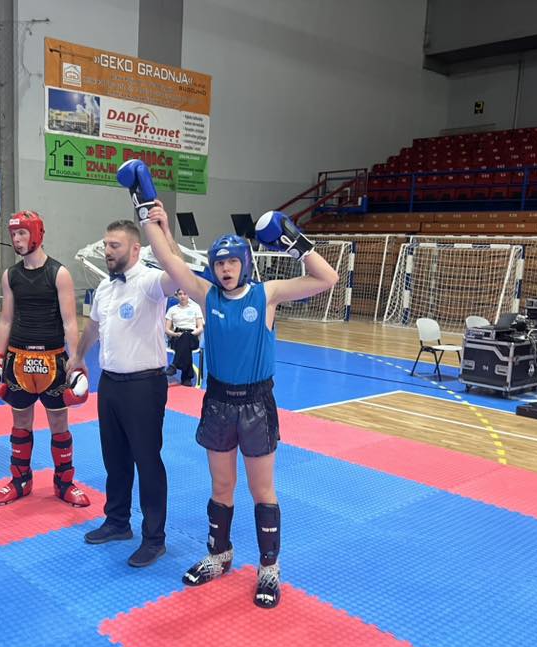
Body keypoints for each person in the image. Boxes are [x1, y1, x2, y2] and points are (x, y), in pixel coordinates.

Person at [123, 159, 338, 608]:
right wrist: (146, 210)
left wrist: (295, 241)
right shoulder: (207, 296)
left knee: (262, 491)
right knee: (221, 488)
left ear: (245, 263)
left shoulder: (268, 294)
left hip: (258, 404)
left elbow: (327, 278)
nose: (224, 269)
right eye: (219, 263)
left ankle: (269, 568)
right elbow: (168, 258)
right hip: (219, 402)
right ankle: (219, 555)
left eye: (231, 262)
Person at [68, 211, 184, 568]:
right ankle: (118, 521)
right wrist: (78, 357)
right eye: (106, 245)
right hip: (111, 384)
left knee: (147, 462)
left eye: (115, 246)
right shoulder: (105, 287)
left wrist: (165, 232)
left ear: (135, 249)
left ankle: (154, 538)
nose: (107, 251)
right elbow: (93, 327)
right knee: (114, 459)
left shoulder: (150, 281)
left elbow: (179, 272)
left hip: (144, 386)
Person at [0, 210, 91, 509]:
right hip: (18, 359)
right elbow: (6, 319)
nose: (17, 239)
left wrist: (77, 360)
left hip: (53, 359)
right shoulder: (11, 275)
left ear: (37, 234)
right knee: (20, 420)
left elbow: (70, 321)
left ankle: (64, 483)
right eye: (13, 234)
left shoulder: (58, 273)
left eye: (22, 233)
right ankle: (20, 480)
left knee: (59, 421)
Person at [164, 288, 204, 386]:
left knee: (186, 336)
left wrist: (192, 334)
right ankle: (187, 378)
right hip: (177, 336)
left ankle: (175, 365)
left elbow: (200, 327)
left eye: (185, 294)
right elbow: (167, 329)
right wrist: (175, 334)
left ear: (188, 295)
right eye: (180, 294)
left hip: (192, 336)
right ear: (177, 295)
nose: (182, 296)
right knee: (185, 342)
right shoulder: (172, 310)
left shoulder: (195, 308)